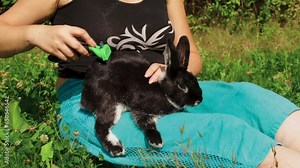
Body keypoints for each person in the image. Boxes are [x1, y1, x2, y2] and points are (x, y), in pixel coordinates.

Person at [0, 0, 299, 167]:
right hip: (99, 99)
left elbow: (192, 55)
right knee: (220, 130)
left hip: (165, 92)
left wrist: (172, 69)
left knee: (249, 98)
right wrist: (33, 33)